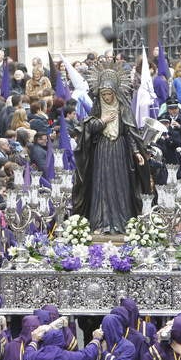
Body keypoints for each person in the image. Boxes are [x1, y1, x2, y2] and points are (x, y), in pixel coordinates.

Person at [72, 62, 149, 234]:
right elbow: (87, 128)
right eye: (103, 94)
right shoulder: (97, 108)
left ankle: (121, 222)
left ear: (115, 92)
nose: (106, 97)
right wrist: (102, 121)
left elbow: (130, 131)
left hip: (120, 151)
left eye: (109, 94)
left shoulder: (123, 108)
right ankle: (101, 223)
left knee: (120, 185)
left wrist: (136, 152)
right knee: (102, 185)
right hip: (102, 151)